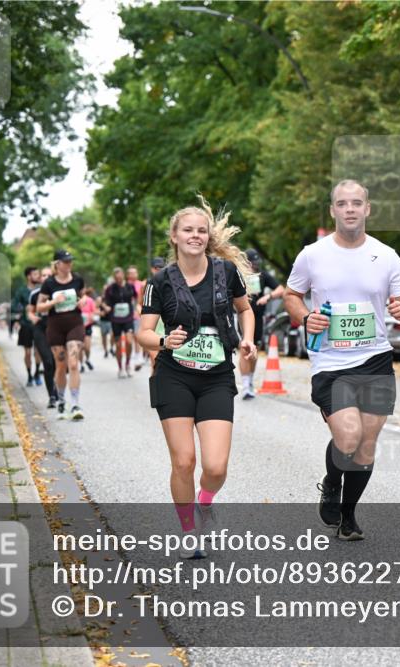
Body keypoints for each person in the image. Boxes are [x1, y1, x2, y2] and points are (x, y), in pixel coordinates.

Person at [283, 179, 400, 541]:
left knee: (366, 444)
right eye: (342, 204)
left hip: (375, 357)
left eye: (356, 203)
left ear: (367, 209)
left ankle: (348, 515)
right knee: (348, 438)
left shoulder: (386, 255)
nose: (349, 209)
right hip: (330, 360)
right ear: (333, 211)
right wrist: (304, 316)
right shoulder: (312, 254)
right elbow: (292, 294)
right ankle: (331, 483)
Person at [136, 198, 256, 559]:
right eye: (188, 230)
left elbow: (245, 309)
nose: (195, 235)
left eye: (201, 230)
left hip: (217, 375)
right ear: (174, 236)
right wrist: (161, 340)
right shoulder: (158, 282)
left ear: (208, 236)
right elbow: (142, 332)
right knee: (184, 461)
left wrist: (247, 338)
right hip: (174, 375)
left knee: (215, 467)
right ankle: (189, 529)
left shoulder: (225, 272)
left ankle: (205, 501)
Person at [36, 250, 86, 420]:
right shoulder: (49, 284)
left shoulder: (78, 279)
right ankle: (61, 401)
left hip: (75, 323)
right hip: (55, 326)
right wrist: (53, 302)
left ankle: (75, 404)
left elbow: (83, 296)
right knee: (61, 365)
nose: (69, 264)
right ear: (57, 264)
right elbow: (39, 307)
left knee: (73, 363)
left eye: (70, 261)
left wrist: (83, 301)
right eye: (65, 261)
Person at [239, 248, 284, 399]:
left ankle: (250, 380)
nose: (255, 266)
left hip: (258, 318)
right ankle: (245, 385)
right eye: (252, 263)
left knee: (254, 349)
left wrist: (268, 297)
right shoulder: (238, 275)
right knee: (244, 348)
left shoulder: (262, 276)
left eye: (257, 263)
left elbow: (281, 289)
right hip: (242, 316)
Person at [28, 266, 59, 409]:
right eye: (43, 275)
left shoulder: (58, 292)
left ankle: (58, 387)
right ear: (40, 278)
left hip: (56, 327)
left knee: (57, 361)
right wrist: (33, 317)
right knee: (47, 361)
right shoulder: (35, 294)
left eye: (48, 275)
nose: (46, 278)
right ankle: (52, 395)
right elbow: (30, 311)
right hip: (41, 328)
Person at [102, 267, 138, 378]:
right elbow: (104, 301)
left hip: (128, 318)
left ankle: (127, 364)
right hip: (116, 319)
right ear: (114, 278)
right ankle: (120, 368)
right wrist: (106, 307)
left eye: (120, 277)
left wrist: (136, 308)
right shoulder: (110, 289)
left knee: (129, 341)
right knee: (118, 345)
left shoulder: (129, 286)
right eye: (116, 278)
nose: (118, 279)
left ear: (123, 276)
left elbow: (136, 297)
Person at [145, 256, 167, 369]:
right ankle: (154, 385)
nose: (158, 270)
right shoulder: (147, 284)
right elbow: (140, 304)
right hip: (152, 324)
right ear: (151, 269)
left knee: (163, 362)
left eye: (161, 267)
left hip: (165, 325)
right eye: (156, 267)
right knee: (155, 359)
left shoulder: (170, 283)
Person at [128, 265, 147, 371]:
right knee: (131, 336)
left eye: (134, 272)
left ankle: (139, 356)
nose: (133, 275)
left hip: (137, 314)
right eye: (131, 273)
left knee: (137, 335)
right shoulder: (125, 285)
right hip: (127, 315)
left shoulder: (141, 284)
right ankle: (133, 355)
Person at [78, 287, 97, 372]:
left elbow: (94, 311)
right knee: (80, 347)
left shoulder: (90, 300)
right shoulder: (76, 300)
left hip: (87, 325)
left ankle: (87, 359)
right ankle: (81, 364)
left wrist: (92, 316)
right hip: (78, 326)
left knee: (87, 347)